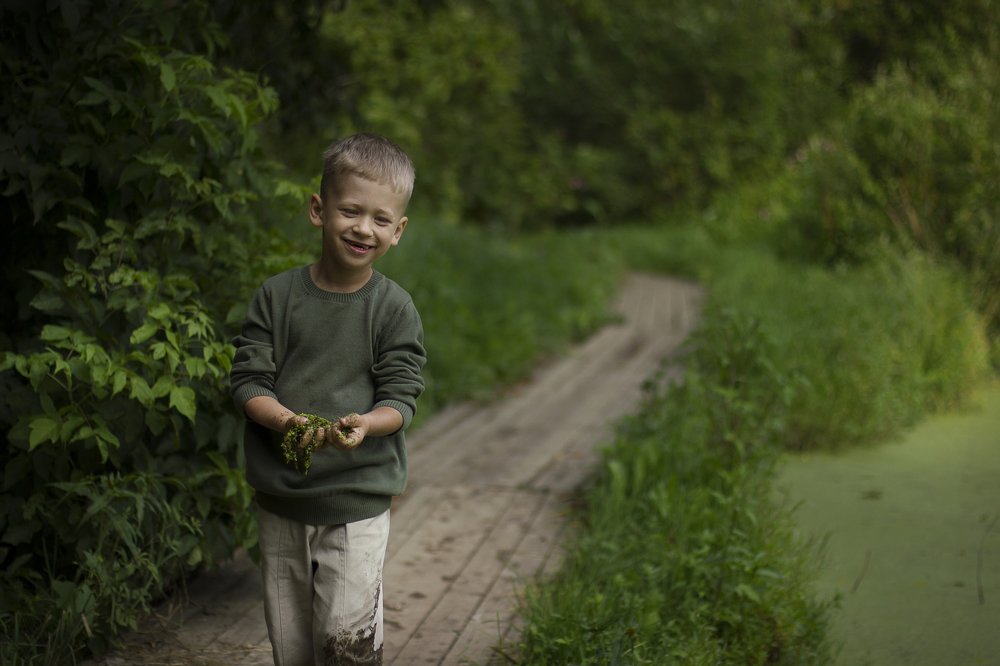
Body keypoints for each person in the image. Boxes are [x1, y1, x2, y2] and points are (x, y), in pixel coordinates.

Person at [230, 132, 426, 665]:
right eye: (351, 211)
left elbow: (401, 397)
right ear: (319, 210)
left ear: (397, 231)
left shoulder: (393, 308)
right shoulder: (276, 297)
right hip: (283, 500)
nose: (364, 228)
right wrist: (290, 422)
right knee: (291, 644)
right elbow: (248, 383)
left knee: (346, 641)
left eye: (381, 220)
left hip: (356, 498)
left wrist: (365, 424)